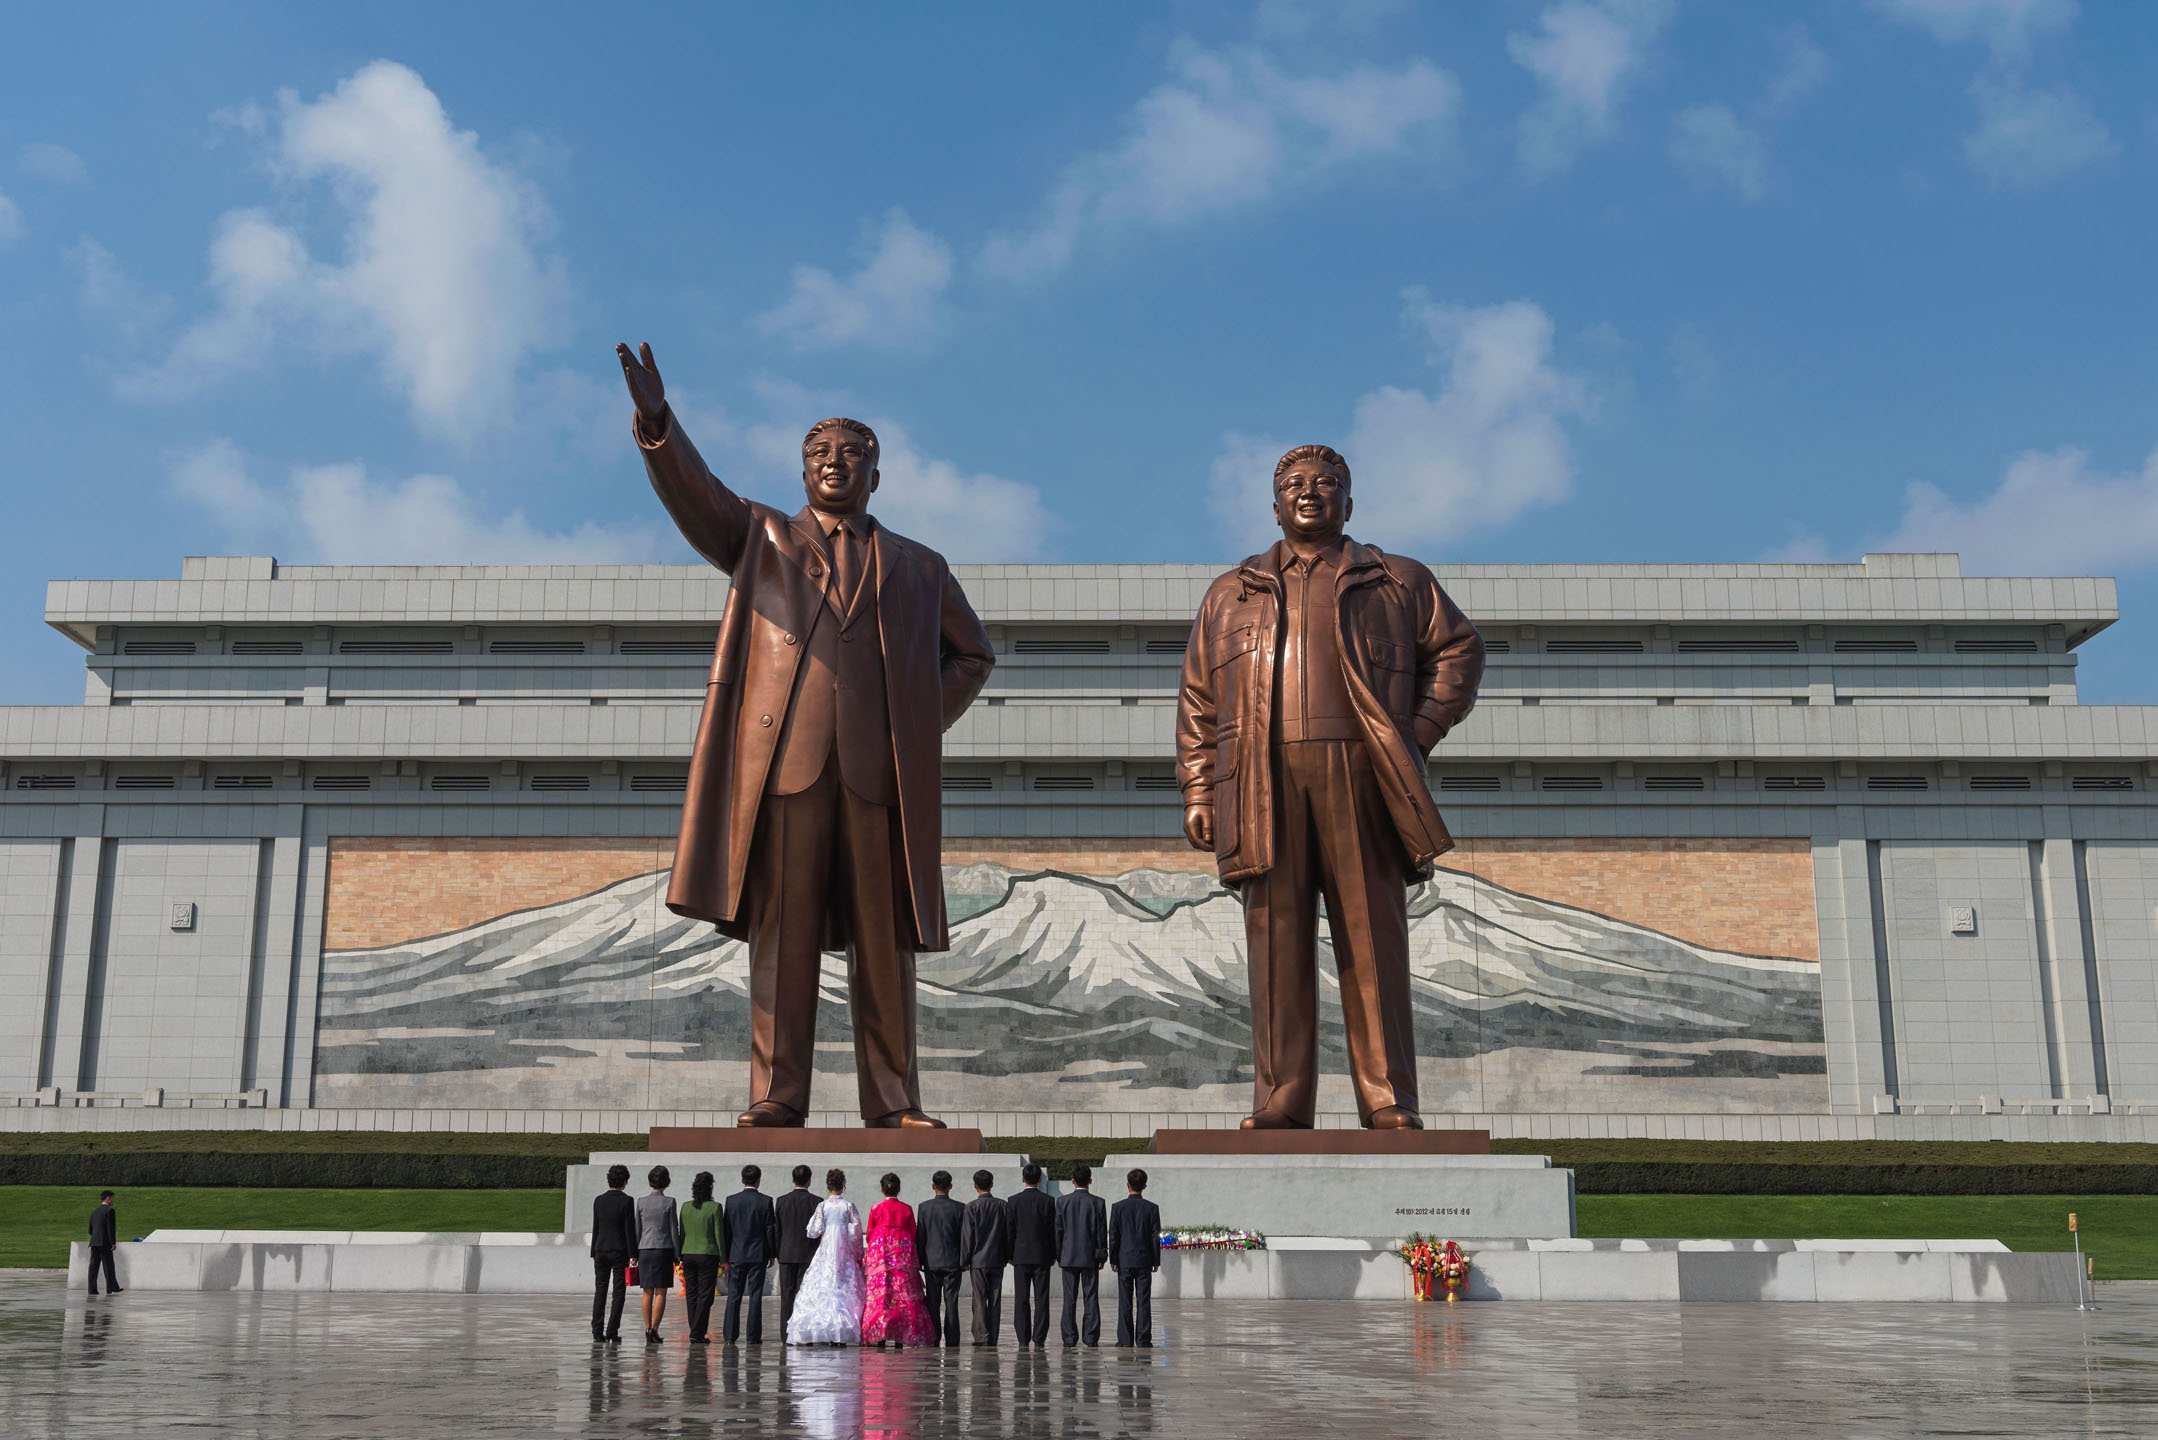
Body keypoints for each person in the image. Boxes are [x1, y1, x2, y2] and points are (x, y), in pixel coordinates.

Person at [617, 342, 996, 1129]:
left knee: (883, 942)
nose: (836, 461)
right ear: (802, 473)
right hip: (786, 767)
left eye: (853, 452)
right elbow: (698, 498)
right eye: (820, 452)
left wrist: (916, 720)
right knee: (780, 940)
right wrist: (659, 423)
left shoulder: (920, 568)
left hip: (877, 777)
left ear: (876, 475)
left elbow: (973, 656)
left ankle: (894, 1103)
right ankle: (776, 1094)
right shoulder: (762, 540)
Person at [1176, 443, 1484, 1131]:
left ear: (1350, 499)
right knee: (1275, 941)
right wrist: (1199, 791)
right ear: (1274, 501)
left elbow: (1460, 649)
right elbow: (1199, 697)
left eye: (1325, 483)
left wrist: (1419, 730)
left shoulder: (1396, 579)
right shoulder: (1232, 591)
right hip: (1260, 777)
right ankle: (1282, 1099)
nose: (1309, 493)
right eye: (1294, 484)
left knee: (1373, 938)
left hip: (1361, 772)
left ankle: (1387, 1098)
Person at [788, 1169, 866, 1346]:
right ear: (843, 1185)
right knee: (843, 1286)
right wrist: (858, 1254)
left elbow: (813, 1231)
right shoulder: (848, 1206)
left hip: (826, 1250)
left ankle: (820, 1329)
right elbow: (855, 1233)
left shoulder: (822, 1206)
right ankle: (842, 1333)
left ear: (827, 1185)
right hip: (843, 1249)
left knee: (821, 1285)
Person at [861, 1172, 935, 1347]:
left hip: (882, 1261)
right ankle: (901, 1336)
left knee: (882, 1296)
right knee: (902, 1295)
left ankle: (880, 1333)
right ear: (899, 1188)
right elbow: (914, 1233)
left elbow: (870, 1234)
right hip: (902, 1260)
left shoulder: (876, 1208)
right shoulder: (906, 1209)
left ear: (882, 1188)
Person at [1054, 1163, 1108, 1348]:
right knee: (1090, 1297)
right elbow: (1102, 1232)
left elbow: (1058, 1231)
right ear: (1090, 1181)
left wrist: (1059, 1255)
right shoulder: (1098, 1202)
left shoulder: (1062, 1202)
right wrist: (1102, 1256)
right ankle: (1091, 1337)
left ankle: (1069, 1338)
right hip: (1090, 1257)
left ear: (1073, 1181)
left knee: (1069, 1299)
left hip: (1068, 1257)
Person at [723, 1164, 778, 1345]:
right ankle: (753, 1336)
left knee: (734, 1295)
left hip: (736, 1254)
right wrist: (771, 1253)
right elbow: (770, 1230)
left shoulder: (731, 1201)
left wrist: (726, 1254)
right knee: (755, 1296)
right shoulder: (765, 1201)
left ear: (742, 1180)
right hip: (757, 1254)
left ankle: (730, 1335)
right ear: (758, 1180)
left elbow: (727, 1231)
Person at [1108, 1169, 1162, 1348]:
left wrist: (1113, 1259)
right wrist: (1156, 1260)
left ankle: (1124, 1339)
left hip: (1124, 1260)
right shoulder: (1152, 1208)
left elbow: (1114, 1236)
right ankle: (1143, 1339)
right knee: (1143, 1300)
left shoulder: (1118, 1208)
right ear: (1145, 1186)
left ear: (1127, 1184)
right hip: (1144, 1260)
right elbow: (1155, 1236)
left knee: (1125, 1300)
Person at [958, 1168, 1011, 1346]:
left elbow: (967, 1236)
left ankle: (982, 1336)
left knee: (979, 1299)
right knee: (995, 1299)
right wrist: (1008, 1255)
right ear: (992, 1184)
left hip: (978, 1260)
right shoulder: (1003, 1205)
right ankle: (993, 1336)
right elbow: (1007, 1234)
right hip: (997, 1259)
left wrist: (964, 1260)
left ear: (975, 1186)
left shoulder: (971, 1207)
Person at [1007, 1163, 1056, 1349]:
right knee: (1041, 1298)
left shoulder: (1013, 1201)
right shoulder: (1048, 1201)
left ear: (1023, 1179)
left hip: (1020, 1255)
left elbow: (1010, 1231)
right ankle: (1040, 1336)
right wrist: (1053, 1254)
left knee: (1021, 1298)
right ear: (1040, 1179)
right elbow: (1052, 1231)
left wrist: (1009, 1254)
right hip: (1042, 1255)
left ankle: (1022, 1337)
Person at [915, 1170, 965, 1346]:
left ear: (933, 1186)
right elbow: (963, 1237)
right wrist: (964, 1260)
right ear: (950, 1186)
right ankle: (952, 1339)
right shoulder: (960, 1208)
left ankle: (934, 1337)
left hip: (931, 1261)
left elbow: (921, 1236)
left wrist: (919, 1259)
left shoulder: (924, 1207)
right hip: (953, 1262)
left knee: (933, 1303)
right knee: (952, 1302)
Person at [678, 1171, 728, 1345]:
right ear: (710, 1188)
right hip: (707, 1254)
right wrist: (723, 1257)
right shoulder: (715, 1208)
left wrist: (680, 1254)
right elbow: (718, 1234)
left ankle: (696, 1331)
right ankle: (697, 1332)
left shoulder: (685, 1207)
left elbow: (681, 1234)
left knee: (691, 1294)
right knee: (706, 1296)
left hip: (688, 1253)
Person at [589, 1164, 636, 1341]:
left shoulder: (598, 1200)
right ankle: (612, 1330)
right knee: (618, 1293)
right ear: (625, 1181)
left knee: (600, 1291)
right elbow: (628, 1230)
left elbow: (596, 1227)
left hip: (600, 1249)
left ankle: (597, 1330)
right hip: (619, 1251)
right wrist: (633, 1255)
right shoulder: (627, 1201)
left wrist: (593, 1250)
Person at [774, 1163, 820, 1343]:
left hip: (786, 1254)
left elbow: (777, 1230)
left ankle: (785, 1335)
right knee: (805, 1296)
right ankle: (803, 1334)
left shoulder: (781, 1200)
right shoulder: (816, 1202)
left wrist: (777, 1252)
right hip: (808, 1255)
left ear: (793, 1179)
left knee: (787, 1296)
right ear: (809, 1180)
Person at [635, 1166, 680, 1346]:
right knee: (661, 1292)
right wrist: (677, 1253)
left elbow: (637, 1229)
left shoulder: (641, 1202)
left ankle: (647, 1327)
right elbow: (673, 1230)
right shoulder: (669, 1202)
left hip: (644, 1249)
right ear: (666, 1182)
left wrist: (635, 1252)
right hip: (663, 1249)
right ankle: (654, 1328)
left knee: (647, 1291)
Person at [87, 1190, 121, 1297]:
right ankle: (111, 1288)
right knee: (108, 1266)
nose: (113, 1200)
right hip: (105, 1243)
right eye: (112, 1198)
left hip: (94, 1242)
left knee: (93, 1267)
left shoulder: (94, 1212)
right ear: (107, 1198)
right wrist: (113, 1243)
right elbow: (111, 1229)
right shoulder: (110, 1211)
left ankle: (92, 1289)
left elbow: (90, 1230)